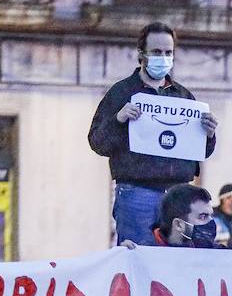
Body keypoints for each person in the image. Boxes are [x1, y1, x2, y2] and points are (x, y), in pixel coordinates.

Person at [88, 22, 218, 246]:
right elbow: (97, 142)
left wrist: (209, 134)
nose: (163, 57)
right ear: (142, 54)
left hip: (179, 196)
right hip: (137, 192)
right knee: (137, 261)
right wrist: (118, 120)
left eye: (168, 52)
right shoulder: (121, 93)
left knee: (178, 263)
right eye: (157, 52)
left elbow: (200, 152)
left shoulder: (184, 96)